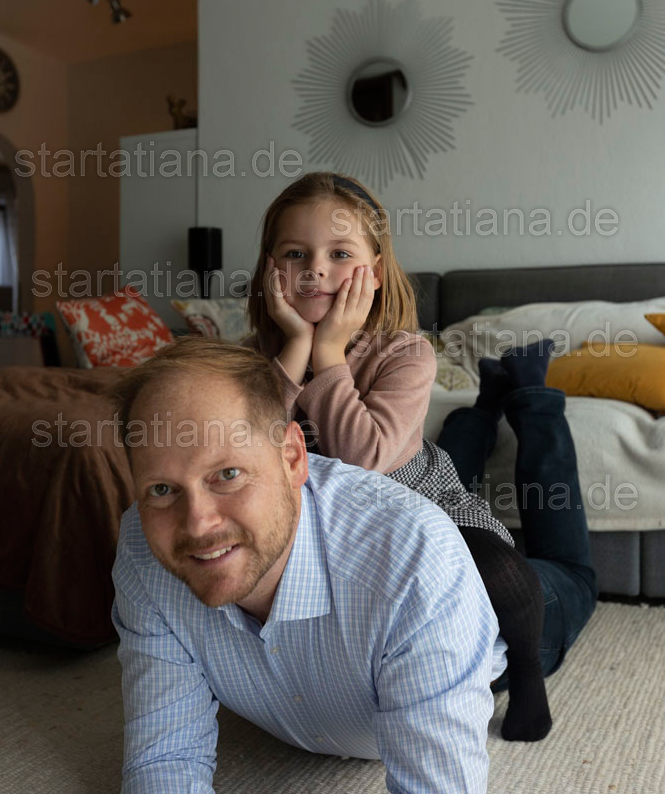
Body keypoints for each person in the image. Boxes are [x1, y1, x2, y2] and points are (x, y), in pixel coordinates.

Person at [246, 171, 598, 742]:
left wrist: (328, 352)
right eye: (294, 253)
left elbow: (364, 462)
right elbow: (244, 451)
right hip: (362, 519)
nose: (315, 269)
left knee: (536, 572)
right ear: (269, 269)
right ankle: (483, 405)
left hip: (431, 508)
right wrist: (295, 349)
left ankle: (529, 391)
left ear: (376, 272)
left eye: (340, 253)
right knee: (441, 445)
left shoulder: (405, 352)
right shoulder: (251, 364)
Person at [111, 338, 504, 794]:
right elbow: (165, 757)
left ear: (294, 457)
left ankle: (516, 405)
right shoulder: (144, 547)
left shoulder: (418, 561)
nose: (196, 525)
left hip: (498, 636)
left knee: (564, 577)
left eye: (227, 474)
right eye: (162, 488)